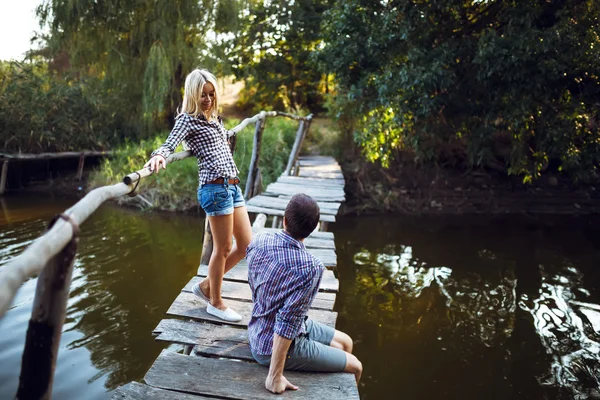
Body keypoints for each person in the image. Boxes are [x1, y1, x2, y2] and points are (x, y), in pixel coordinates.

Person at [146, 69, 252, 322]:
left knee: (247, 245)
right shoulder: (186, 119)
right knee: (224, 248)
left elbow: (217, 143)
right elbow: (169, 144)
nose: (207, 99)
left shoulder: (213, 118)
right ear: (193, 95)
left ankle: (206, 285)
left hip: (232, 187)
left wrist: (224, 138)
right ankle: (215, 302)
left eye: (211, 94)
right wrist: (159, 155)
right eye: (202, 95)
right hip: (214, 189)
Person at [246, 193, 363, 394]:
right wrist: (274, 377)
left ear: (284, 220)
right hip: (269, 347)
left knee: (346, 343)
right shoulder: (311, 267)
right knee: (356, 367)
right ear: (314, 228)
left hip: (260, 325)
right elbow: (287, 322)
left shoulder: (260, 239)